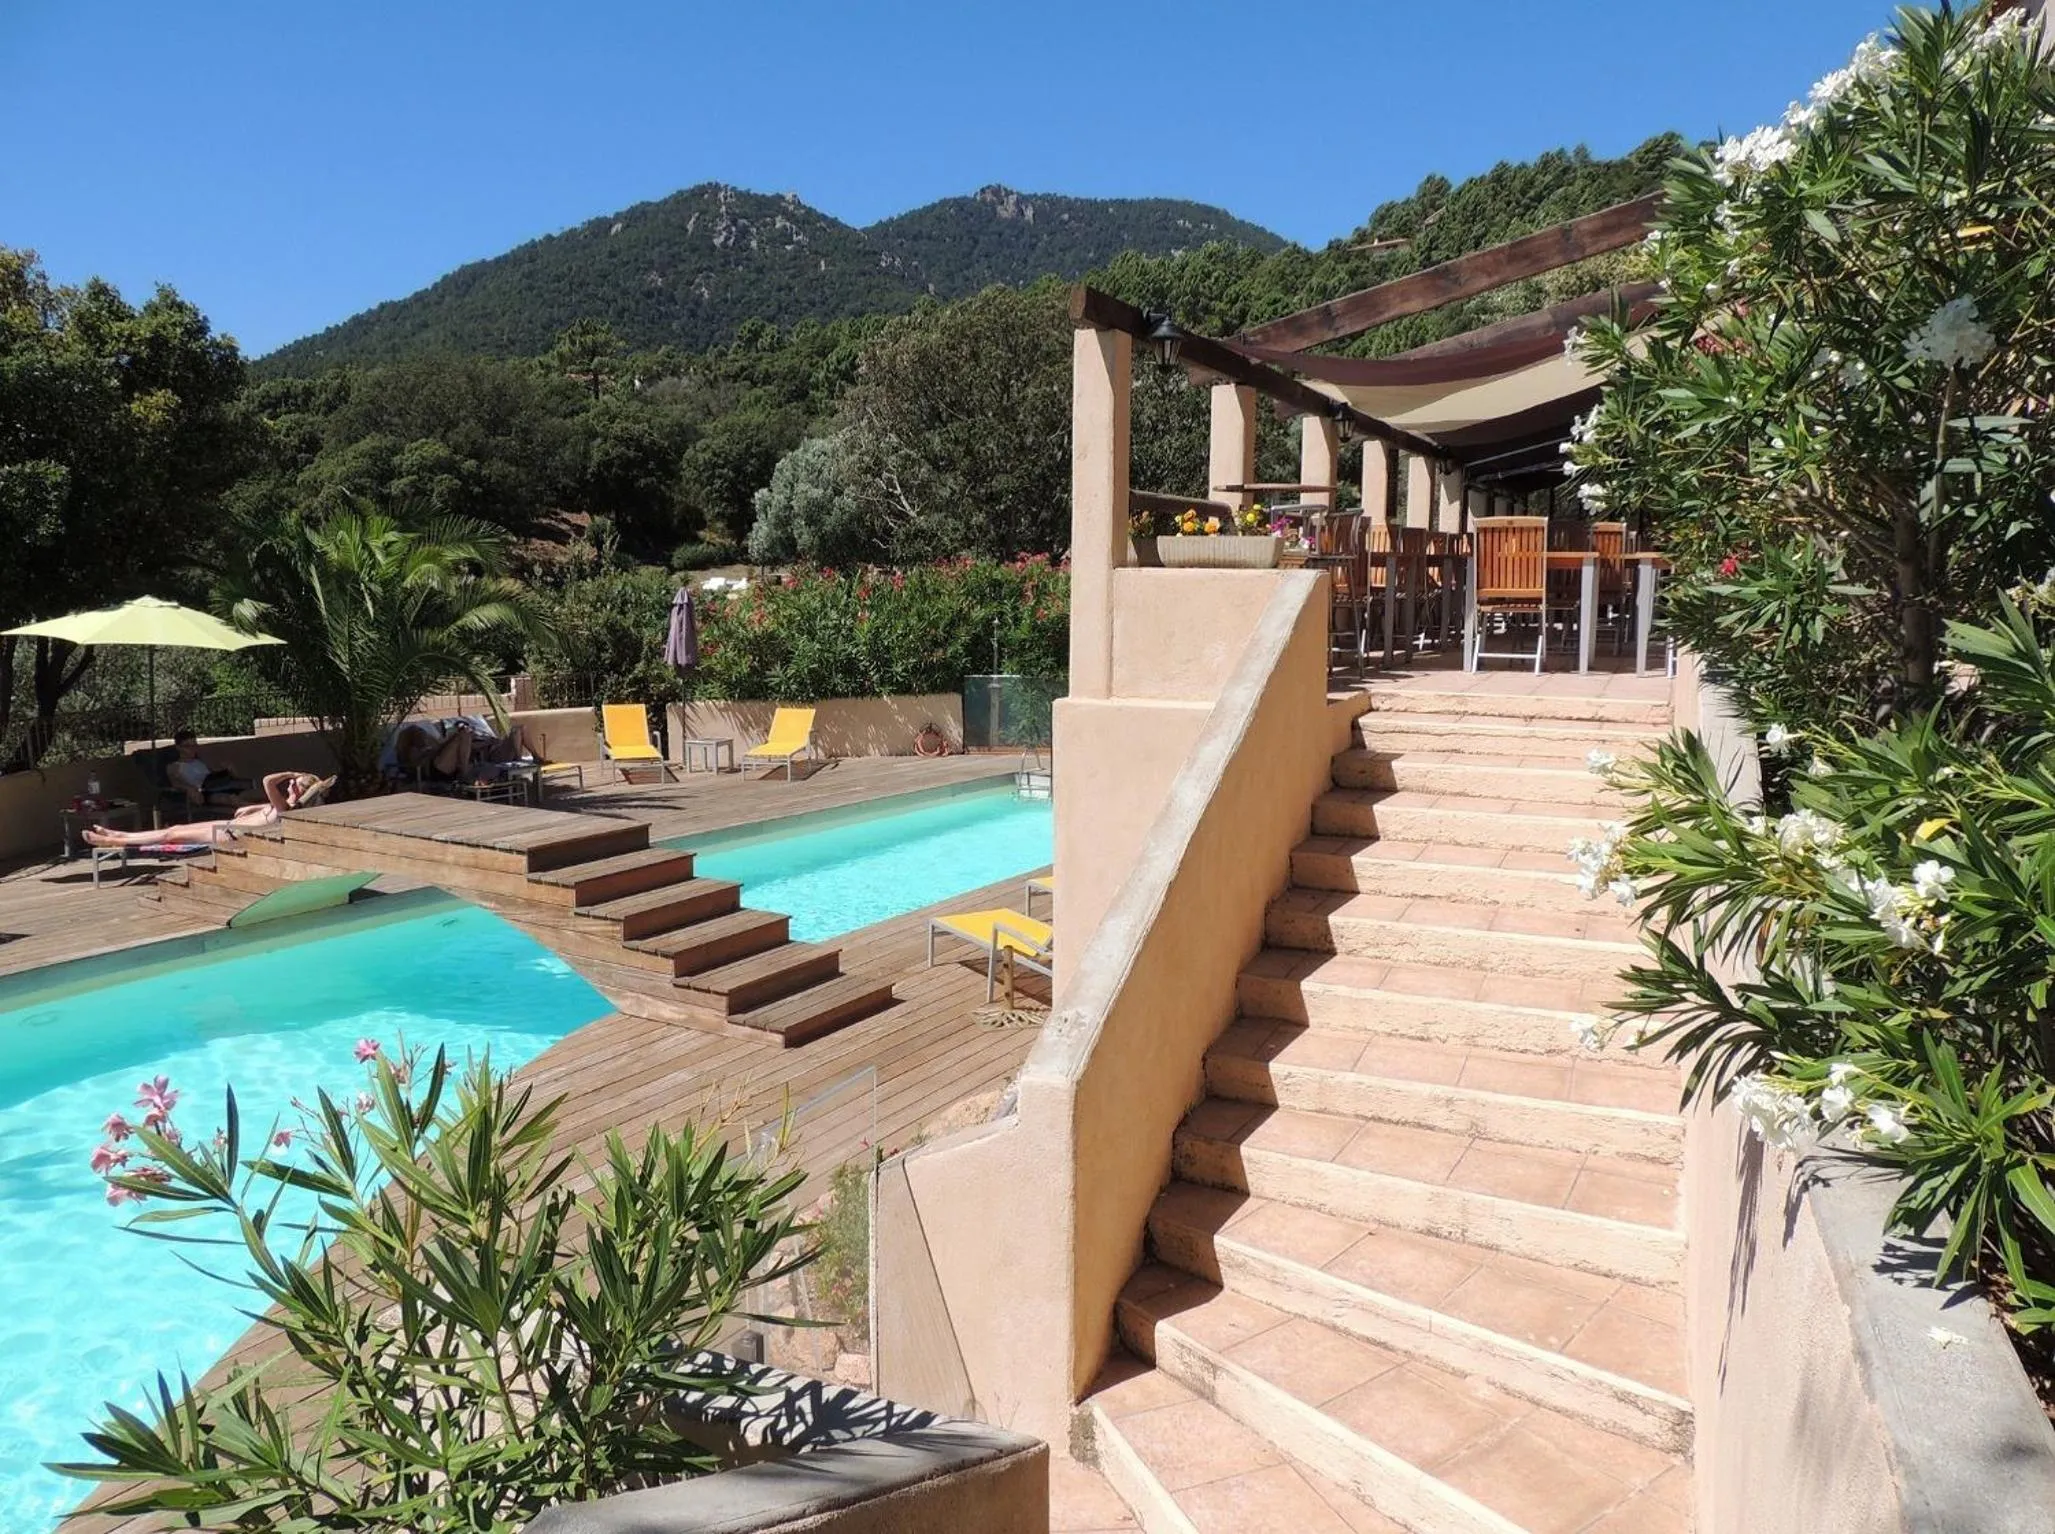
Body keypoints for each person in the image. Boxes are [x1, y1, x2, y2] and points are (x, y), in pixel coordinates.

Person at [84, 772, 333, 848]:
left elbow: (268, 781)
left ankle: (116, 842)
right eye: (291, 782)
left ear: (301, 792)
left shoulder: (286, 808)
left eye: (295, 784)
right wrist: (251, 809)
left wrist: (290, 772)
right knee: (175, 828)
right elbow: (246, 811)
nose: (290, 784)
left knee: (172, 835)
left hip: (228, 836)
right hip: (229, 827)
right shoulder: (279, 806)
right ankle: (117, 835)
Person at [165, 728, 249, 808]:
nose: (193, 749)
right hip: (203, 793)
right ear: (178, 747)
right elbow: (176, 784)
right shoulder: (174, 766)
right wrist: (189, 789)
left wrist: (227, 770)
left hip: (214, 786)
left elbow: (210, 774)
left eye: (195, 745)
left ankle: (254, 808)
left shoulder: (199, 762)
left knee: (242, 789)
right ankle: (256, 811)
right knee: (230, 798)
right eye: (188, 746)